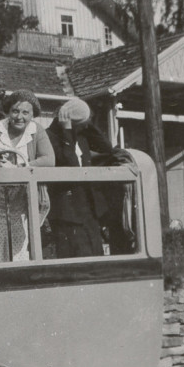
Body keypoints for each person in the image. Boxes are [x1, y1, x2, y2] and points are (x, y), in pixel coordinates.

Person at [0, 89, 54, 263]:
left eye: (25, 112)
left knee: (16, 247)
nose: (19, 117)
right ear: (7, 111)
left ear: (33, 114)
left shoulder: (37, 131)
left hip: (17, 200)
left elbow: (49, 160)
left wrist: (20, 167)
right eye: (15, 111)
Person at [45, 98, 106, 257]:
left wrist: (87, 122)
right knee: (78, 258)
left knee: (96, 256)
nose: (86, 126)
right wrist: (66, 131)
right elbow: (70, 163)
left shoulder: (81, 135)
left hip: (88, 207)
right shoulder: (49, 137)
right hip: (68, 212)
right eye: (83, 123)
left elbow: (106, 148)